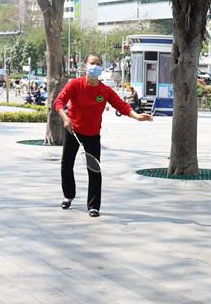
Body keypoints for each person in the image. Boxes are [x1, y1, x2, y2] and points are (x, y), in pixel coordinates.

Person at [54, 53, 153, 217]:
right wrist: (65, 118)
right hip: (73, 131)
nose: (95, 66)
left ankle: (93, 206)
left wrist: (137, 116)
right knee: (66, 165)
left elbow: (122, 106)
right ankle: (68, 195)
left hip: (93, 134)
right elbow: (59, 102)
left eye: (98, 64)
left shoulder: (105, 91)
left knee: (94, 169)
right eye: (92, 63)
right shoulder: (75, 84)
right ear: (85, 65)